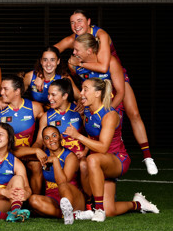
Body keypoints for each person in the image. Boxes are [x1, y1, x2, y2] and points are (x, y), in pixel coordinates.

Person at [55, 9, 158, 175]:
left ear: (89, 21)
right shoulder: (74, 44)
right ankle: (89, 157)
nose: (76, 25)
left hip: (112, 77)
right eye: (72, 22)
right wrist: (51, 70)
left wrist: (78, 64)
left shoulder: (101, 35)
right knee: (86, 115)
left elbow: (103, 66)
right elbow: (54, 50)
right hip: (97, 87)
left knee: (133, 113)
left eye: (80, 21)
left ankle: (147, 156)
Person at [64, 78, 159, 222]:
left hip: (117, 159)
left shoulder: (110, 114)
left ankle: (98, 210)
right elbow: (92, 137)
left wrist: (77, 136)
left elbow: (102, 147)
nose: (81, 93)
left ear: (97, 93)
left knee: (92, 159)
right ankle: (138, 204)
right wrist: (84, 152)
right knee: (111, 210)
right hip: (99, 163)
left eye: (85, 89)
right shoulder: (88, 111)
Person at [0, 75, 44, 194]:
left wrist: (36, 146)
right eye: (1, 89)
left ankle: (35, 200)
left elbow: (46, 129)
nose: (1, 92)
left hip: (27, 153)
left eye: (5, 89)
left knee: (36, 164)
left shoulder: (34, 108)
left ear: (17, 91)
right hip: (6, 154)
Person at [27, 126, 85, 224]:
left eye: (54, 136)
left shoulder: (70, 156)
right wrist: (35, 150)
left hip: (72, 198)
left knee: (63, 186)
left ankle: (71, 212)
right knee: (33, 200)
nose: (51, 140)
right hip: (52, 198)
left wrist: (55, 160)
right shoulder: (43, 155)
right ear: (44, 143)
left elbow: (62, 182)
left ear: (60, 137)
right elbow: (16, 152)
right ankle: (72, 215)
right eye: (46, 138)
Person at [70, 33, 125, 111]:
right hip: (90, 110)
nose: (74, 53)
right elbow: (82, 87)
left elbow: (121, 92)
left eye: (77, 50)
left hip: (111, 106)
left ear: (89, 51)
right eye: (74, 49)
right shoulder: (73, 65)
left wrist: (107, 112)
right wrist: (81, 100)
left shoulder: (111, 62)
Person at [34, 78, 84, 158]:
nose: (49, 98)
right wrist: (33, 151)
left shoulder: (79, 110)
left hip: (78, 156)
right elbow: (39, 142)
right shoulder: (46, 116)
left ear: (65, 96)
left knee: (83, 164)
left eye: (53, 95)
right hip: (56, 158)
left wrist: (84, 152)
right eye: (48, 94)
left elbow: (91, 136)